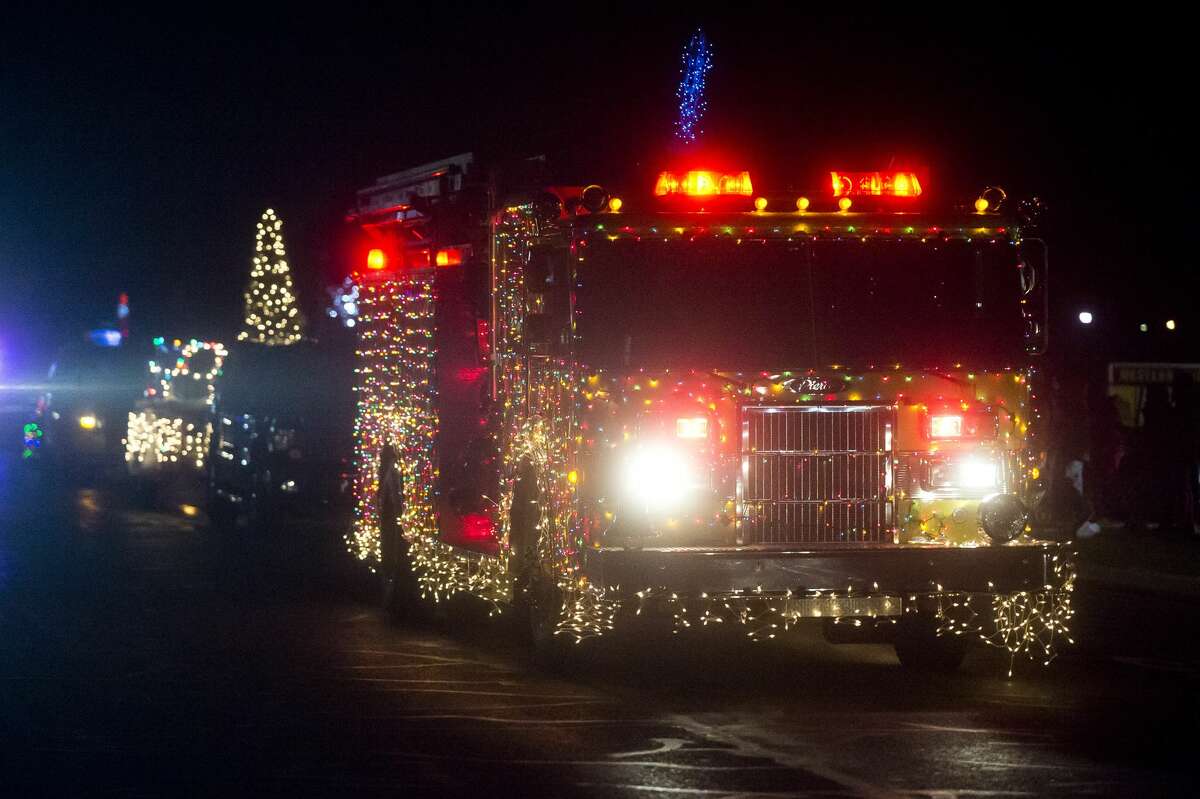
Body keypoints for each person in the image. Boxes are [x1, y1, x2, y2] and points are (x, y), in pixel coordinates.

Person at [378, 443, 407, 607]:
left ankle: (391, 596)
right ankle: (392, 596)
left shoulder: (392, 469)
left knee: (390, 556)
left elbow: (391, 501)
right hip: (394, 526)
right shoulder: (394, 470)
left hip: (393, 525)